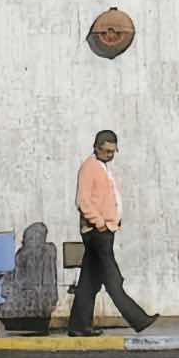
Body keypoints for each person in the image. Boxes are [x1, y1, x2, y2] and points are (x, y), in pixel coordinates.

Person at [66, 128, 158, 336]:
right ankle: (138, 319)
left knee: (89, 282)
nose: (110, 155)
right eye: (107, 151)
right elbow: (83, 201)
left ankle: (78, 326)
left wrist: (114, 219)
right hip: (97, 232)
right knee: (113, 279)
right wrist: (100, 223)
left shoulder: (102, 167)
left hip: (105, 230)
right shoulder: (89, 167)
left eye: (113, 151)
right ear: (96, 148)